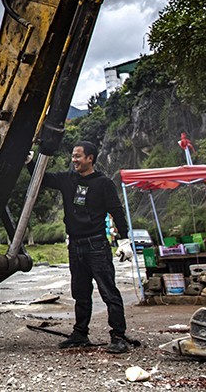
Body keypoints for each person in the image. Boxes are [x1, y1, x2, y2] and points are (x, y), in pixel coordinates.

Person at [38, 141, 132, 354]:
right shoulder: (68, 179)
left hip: (96, 244)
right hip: (75, 245)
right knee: (80, 292)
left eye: (78, 156)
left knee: (108, 291)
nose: (74, 160)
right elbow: (44, 179)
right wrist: (29, 162)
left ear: (90, 158)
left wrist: (124, 240)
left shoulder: (103, 183)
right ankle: (80, 333)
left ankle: (118, 336)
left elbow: (117, 211)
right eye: (73, 156)